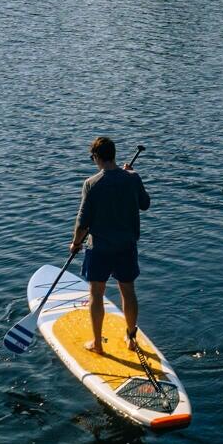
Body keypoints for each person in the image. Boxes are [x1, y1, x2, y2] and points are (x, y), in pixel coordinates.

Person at [69, 136, 150, 356]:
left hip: (100, 248)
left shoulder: (91, 184)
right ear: (113, 155)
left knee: (96, 293)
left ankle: (97, 343)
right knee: (128, 290)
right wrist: (132, 177)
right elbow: (145, 204)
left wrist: (75, 243)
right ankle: (131, 338)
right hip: (126, 246)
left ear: (96, 157)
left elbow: (82, 223)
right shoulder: (132, 178)